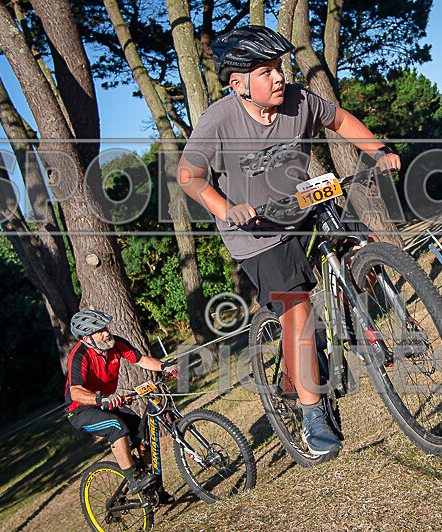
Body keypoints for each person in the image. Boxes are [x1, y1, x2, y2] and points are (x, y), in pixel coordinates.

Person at [176, 25, 401, 457]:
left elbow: (339, 119)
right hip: (257, 234)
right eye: (266, 71)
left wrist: (377, 149)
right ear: (238, 84)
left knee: (364, 246)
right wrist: (226, 209)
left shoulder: (297, 100)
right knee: (296, 310)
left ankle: (350, 318)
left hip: (305, 205)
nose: (279, 77)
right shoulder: (218, 120)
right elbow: (189, 176)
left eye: (278, 67)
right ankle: (312, 414)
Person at [64, 310, 179, 494]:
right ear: (87, 338)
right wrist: (100, 399)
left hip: (107, 402)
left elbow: (140, 359)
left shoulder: (115, 344)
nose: (106, 332)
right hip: (82, 410)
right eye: (99, 331)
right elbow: (75, 392)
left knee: (143, 433)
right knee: (116, 426)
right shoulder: (79, 356)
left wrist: (164, 366)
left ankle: (154, 489)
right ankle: (133, 479)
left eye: (105, 327)